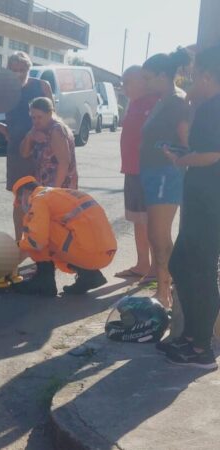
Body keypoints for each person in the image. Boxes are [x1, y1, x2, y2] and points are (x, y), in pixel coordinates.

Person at [159, 44, 220, 369]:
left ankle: (201, 348)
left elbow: (213, 154)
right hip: (202, 201)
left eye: (195, 76)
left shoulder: (214, 107)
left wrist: (182, 158)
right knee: (183, 264)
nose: (191, 82)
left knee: (202, 270)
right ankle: (192, 337)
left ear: (209, 76)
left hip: (211, 205)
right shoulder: (208, 105)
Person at [139, 48, 192, 307]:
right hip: (152, 175)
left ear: (163, 75)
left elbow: (188, 141)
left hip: (165, 175)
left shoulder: (176, 101)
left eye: (148, 78)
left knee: (159, 237)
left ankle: (165, 293)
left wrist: (177, 157)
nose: (145, 83)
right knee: (154, 236)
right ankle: (163, 290)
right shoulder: (162, 100)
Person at [12, 176, 117, 296]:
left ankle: (44, 281)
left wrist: (17, 245)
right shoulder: (57, 194)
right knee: (50, 226)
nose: (22, 206)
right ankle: (88, 275)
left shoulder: (39, 199)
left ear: (26, 192)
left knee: (36, 226)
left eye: (20, 201)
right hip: (106, 253)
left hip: (89, 254)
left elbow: (37, 242)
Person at [0, 52, 53, 240]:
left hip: (41, 151)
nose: (18, 74)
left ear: (28, 69)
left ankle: (40, 241)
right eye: (14, 70)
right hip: (17, 153)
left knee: (41, 198)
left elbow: (52, 117)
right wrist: (7, 134)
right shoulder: (4, 90)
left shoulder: (41, 86)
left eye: (22, 69)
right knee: (20, 200)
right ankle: (20, 243)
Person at [114, 66, 158, 280]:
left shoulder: (155, 101)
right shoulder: (134, 103)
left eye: (127, 81)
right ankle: (142, 265)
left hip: (148, 172)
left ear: (143, 80)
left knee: (151, 222)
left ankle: (158, 270)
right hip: (131, 171)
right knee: (138, 220)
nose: (123, 86)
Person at [19, 97, 78, 189]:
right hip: (45, 187)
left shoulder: (56, 130)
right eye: (33, 118)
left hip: (59, 188)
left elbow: (64, 163)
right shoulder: (39, 128)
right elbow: (24, 154)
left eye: (39, 117)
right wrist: (30, 136)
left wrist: (54, 190)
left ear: (50, 114)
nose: (36, 121)